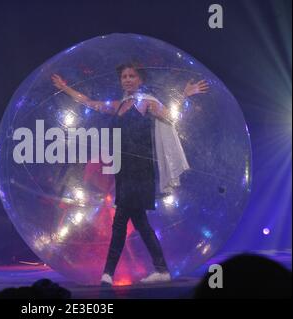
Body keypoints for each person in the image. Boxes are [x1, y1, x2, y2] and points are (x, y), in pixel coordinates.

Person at [52, 62, 208, 286]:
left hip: (141, 172)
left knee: (120, 222)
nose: (127, 79)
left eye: (131, 76)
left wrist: (185, 95)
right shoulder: (118, 105)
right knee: (141, 223)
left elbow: (170, 116)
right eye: (124, 76)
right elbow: (88, 102)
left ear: (140, 80)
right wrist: (65, 88)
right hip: (123, 171)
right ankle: (161, 269)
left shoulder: (146, 103)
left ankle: (107, 275)